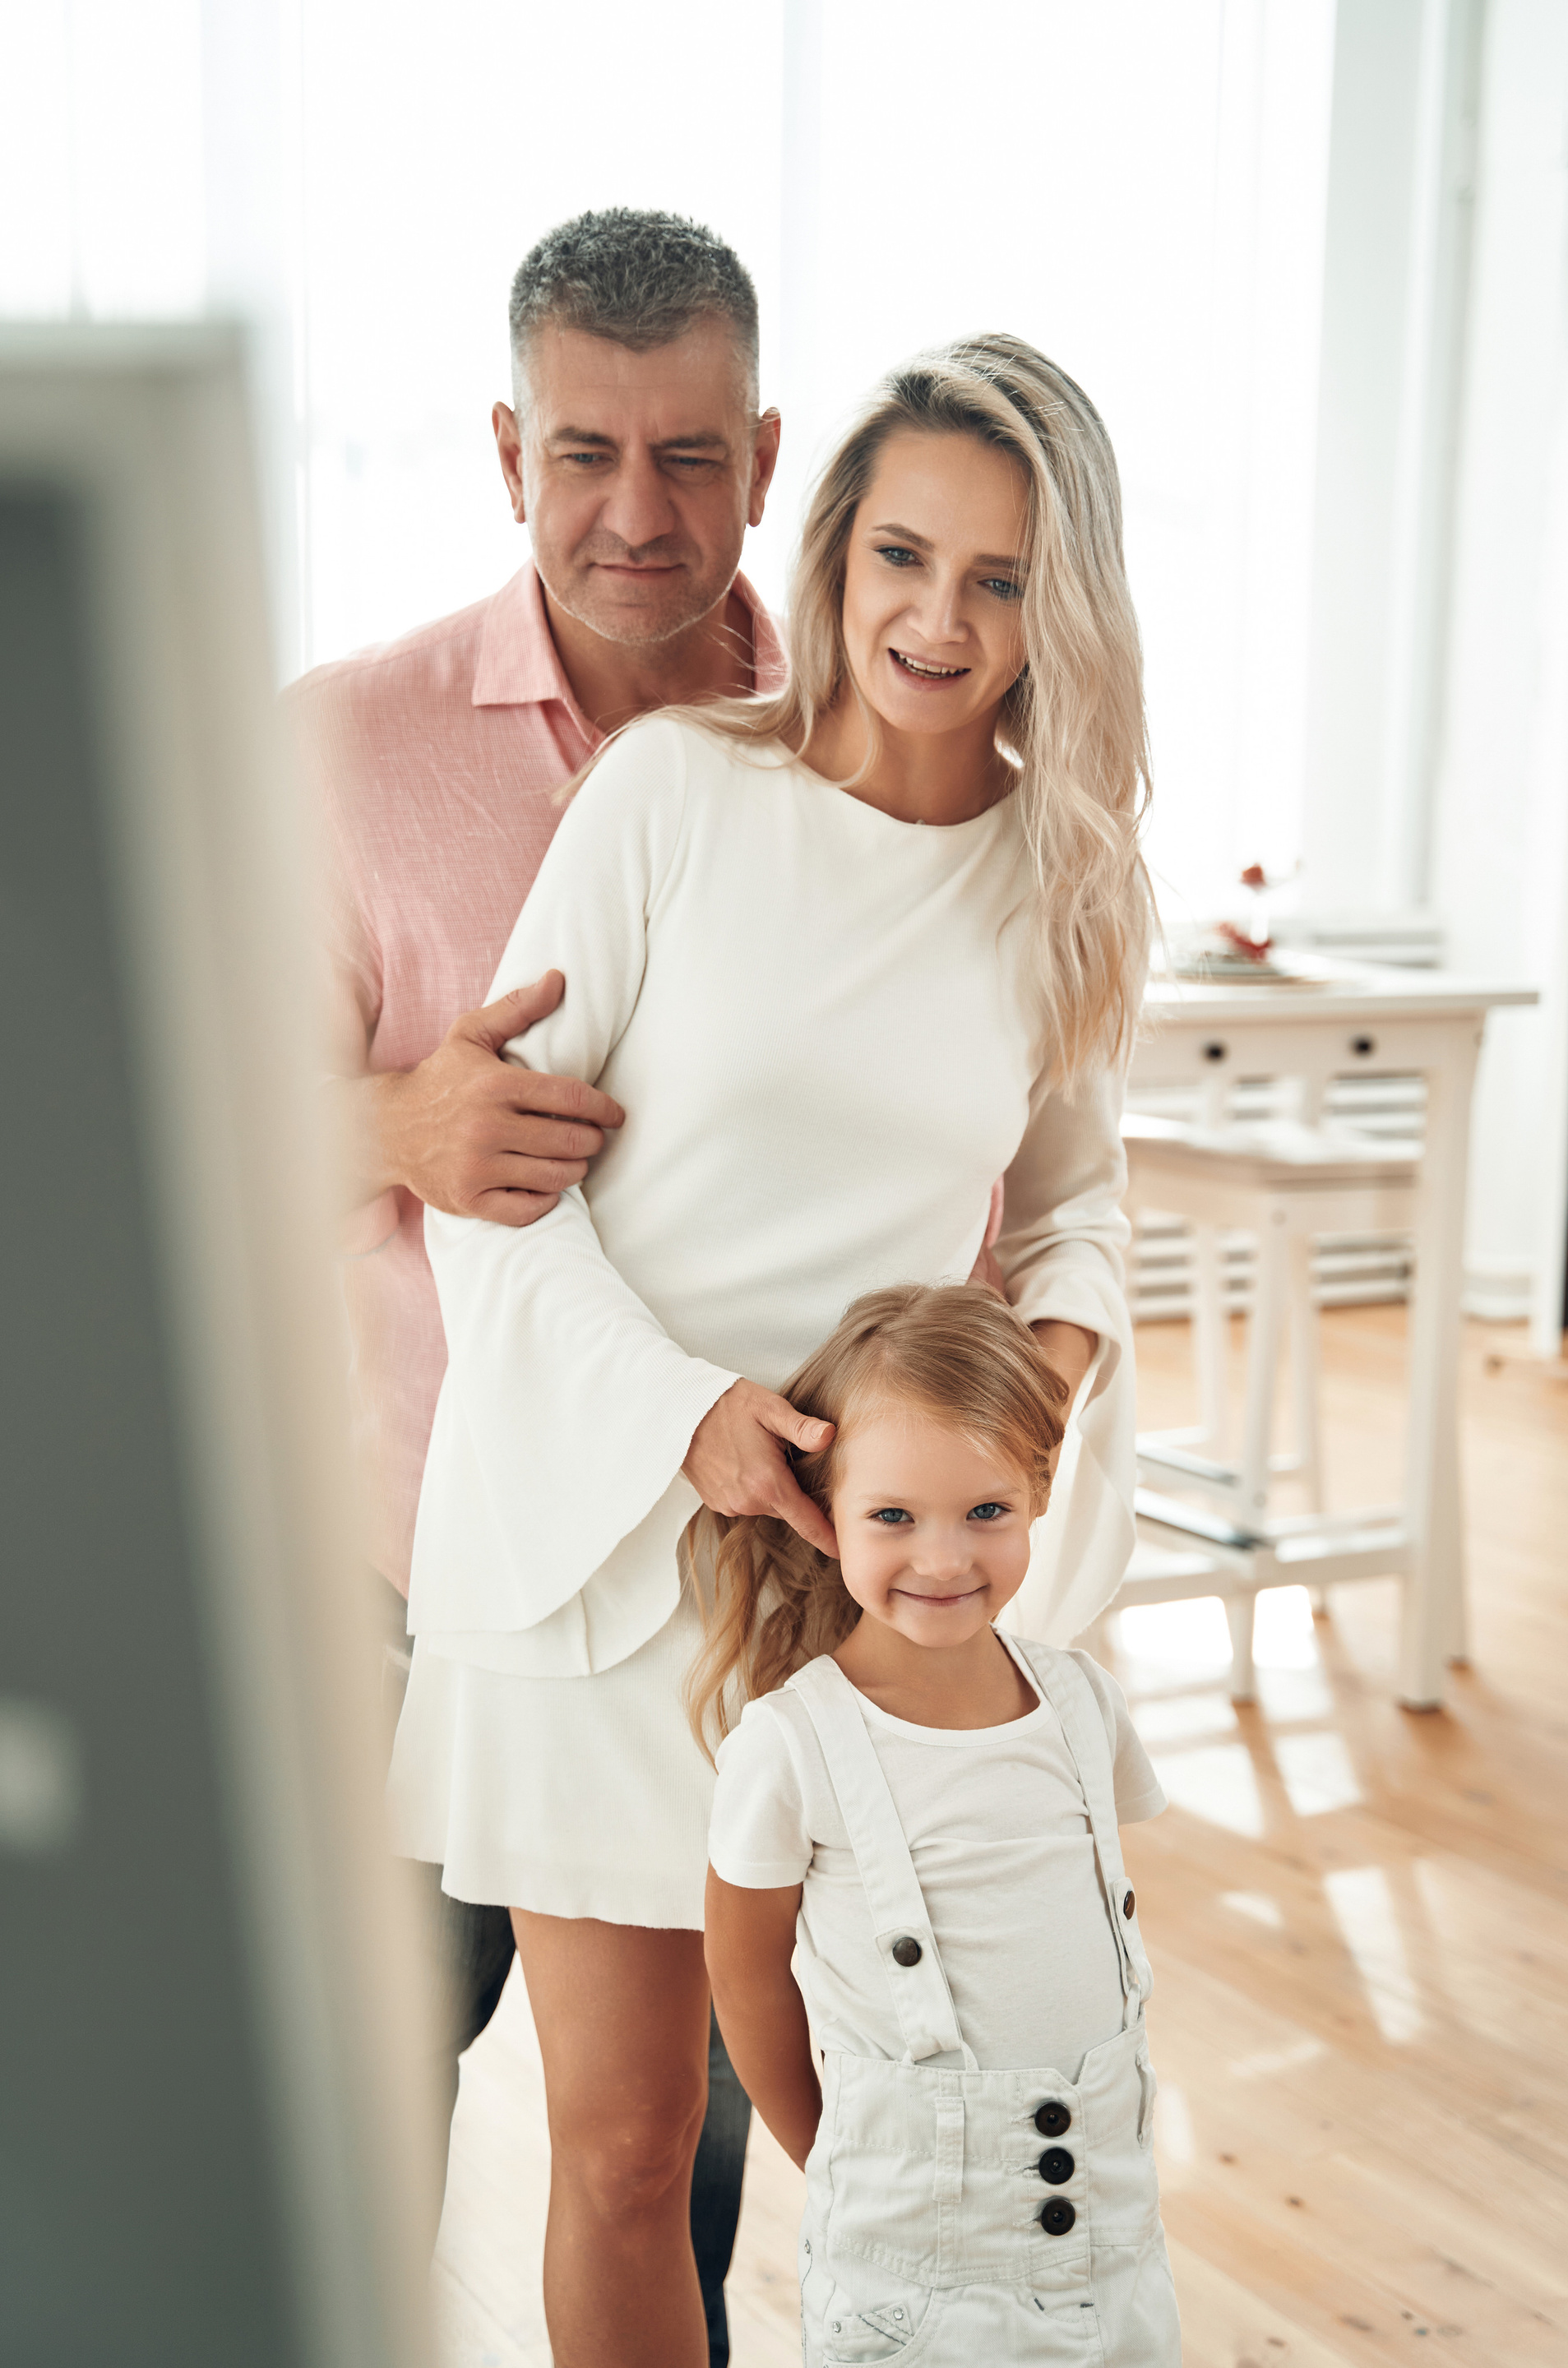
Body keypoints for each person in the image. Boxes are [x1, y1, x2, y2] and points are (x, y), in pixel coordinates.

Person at [389, 331, 1154, 2368]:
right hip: (587, 1548)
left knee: (875, 2133)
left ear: (1061, 606)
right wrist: (686, 1419)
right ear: (832, 555)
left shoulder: (1064, 882)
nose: (938, 619)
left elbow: (1075, 1205)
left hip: (833, 1594)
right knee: (626, 2148)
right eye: (902, 555)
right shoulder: (672, 794)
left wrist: (1036, 1387)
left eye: (999, 579)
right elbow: (496, 1182)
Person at [291, 208, 784, 2356]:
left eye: (690, 455)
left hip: (712, 1605)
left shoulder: (855, 744)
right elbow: (161, 1125)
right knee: (344, 2140)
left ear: (767, 456)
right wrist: (395, 1128)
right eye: (585, 452)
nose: (637, 512)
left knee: (665, 2169)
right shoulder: (342, 745)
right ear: (508, 453)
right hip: (397, 1575)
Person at [700, 1283, 1181, 2364]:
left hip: (1116, 2246)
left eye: (986, 1512)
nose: (945, 1559)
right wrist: (837, 2156)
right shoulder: (790, 1746)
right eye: (893, 1517)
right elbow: (744, 1975)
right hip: (911, 2275)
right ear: (826, 1510)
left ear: (1039, 1493)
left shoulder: (1082, 1703)